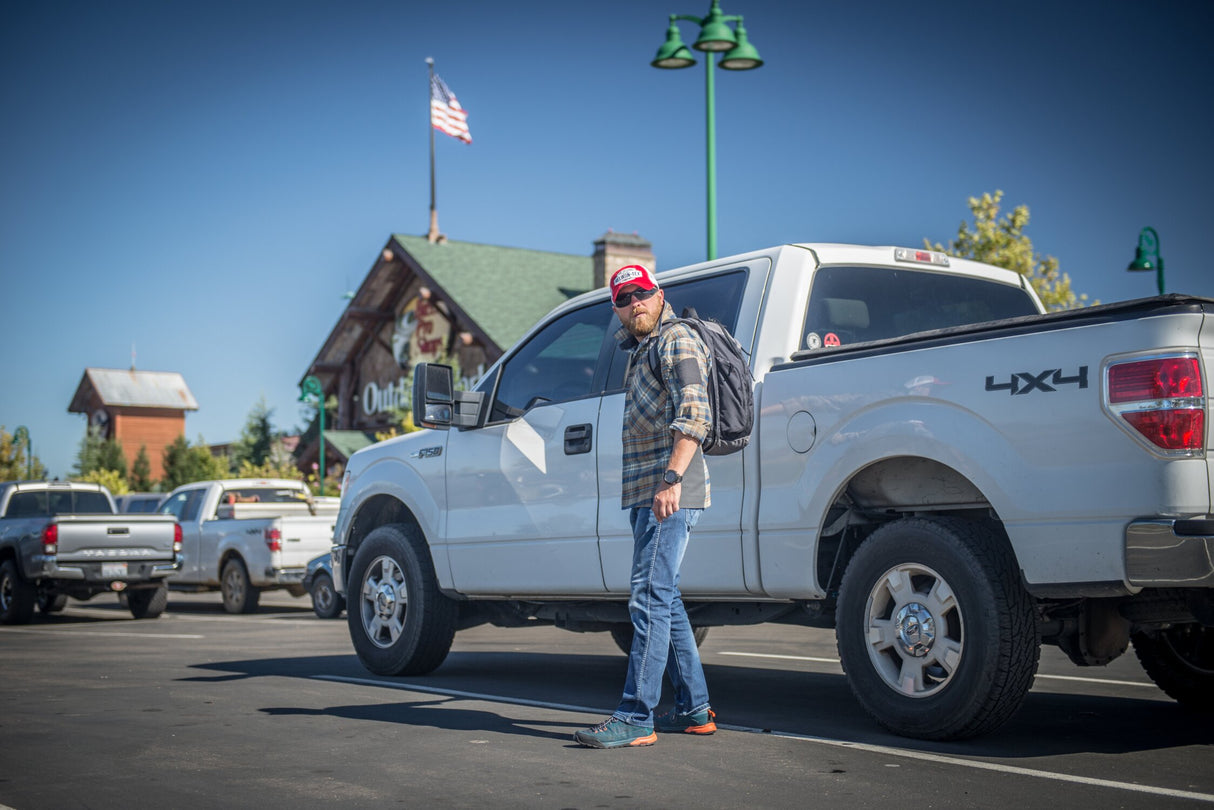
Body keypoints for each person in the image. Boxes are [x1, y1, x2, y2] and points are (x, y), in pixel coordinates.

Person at [574, 264, 716, 749]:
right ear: (616, 309)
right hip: (650, 491)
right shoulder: (643, 349)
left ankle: (636, 714)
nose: (634, 302)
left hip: (669, 489)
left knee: (649, 597)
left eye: (642, 294)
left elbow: (695, 411)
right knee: (666, 598)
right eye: (624, 298)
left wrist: (672, 479)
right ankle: (695, 708)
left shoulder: (674, 340)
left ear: (660, 295)